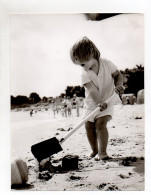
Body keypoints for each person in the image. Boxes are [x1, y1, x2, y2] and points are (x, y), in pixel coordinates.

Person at [70, 36, 124, 160]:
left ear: (91, 54)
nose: (82, 66)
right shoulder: (85, 73)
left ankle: (102, 152)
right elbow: (92, 90)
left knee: (100, 124)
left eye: (82, 63)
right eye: (79, 65)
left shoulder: (107, 64)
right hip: (91, 104)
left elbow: (118, 75)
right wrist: (99, 102)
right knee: (89, 126)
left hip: (108, 101)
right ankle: (94, 150)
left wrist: (119, 85)